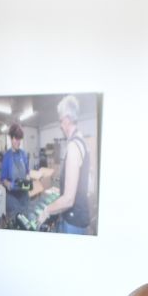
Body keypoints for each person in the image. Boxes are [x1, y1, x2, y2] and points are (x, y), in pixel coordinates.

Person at [37, 95, 95, 235]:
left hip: (73, 222)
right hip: (79, 218)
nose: (61, 125)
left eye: (61, 121)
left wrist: (46, 211)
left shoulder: (74, 146)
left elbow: (69, 200)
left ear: (68, 120)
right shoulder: (82, 141)